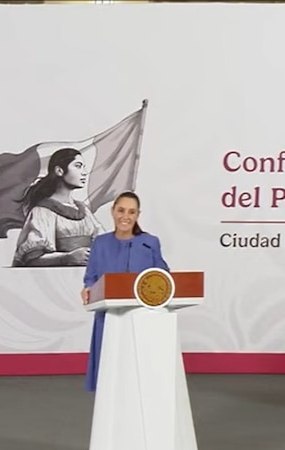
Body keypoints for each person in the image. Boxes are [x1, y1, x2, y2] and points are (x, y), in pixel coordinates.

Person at [80, 191, 170, 392]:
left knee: (138, 378)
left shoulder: (150, 243)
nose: (125, 216)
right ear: (113, 212)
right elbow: (91, 277)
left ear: (138, 215)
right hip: (108, 317)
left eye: (131, 212)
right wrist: (87, 289)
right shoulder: (100, 243)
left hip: (141, 318)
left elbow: (163, 276)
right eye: (121, 210)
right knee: (109, 378)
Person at [12, 147, 104, 267]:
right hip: (56, 279)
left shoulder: (84, 210)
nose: (84, 172)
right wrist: (67, 258)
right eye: (78, 166)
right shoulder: (42, 211)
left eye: (83, 167)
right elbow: (32, 259)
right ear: (59, 171)